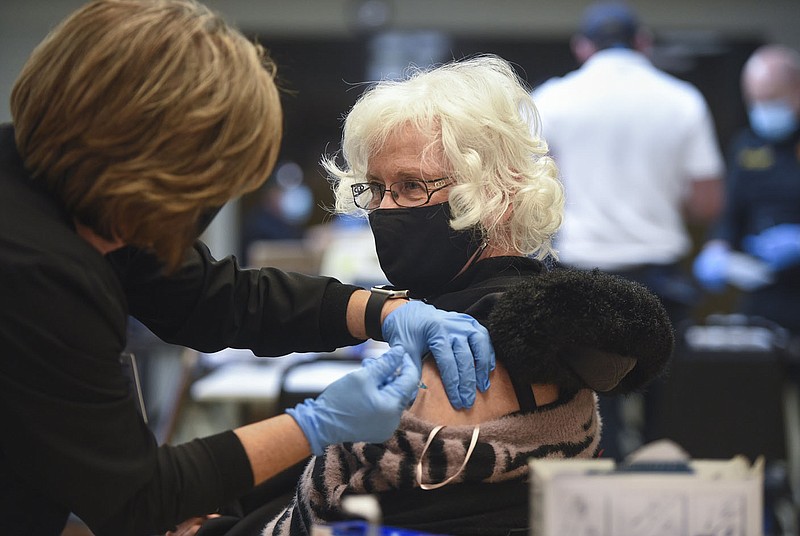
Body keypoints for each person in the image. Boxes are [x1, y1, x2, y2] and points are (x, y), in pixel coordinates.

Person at [0, 2, 496, 535]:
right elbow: (137, 496)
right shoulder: (34, 270)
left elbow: (209, 296)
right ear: (146, 160)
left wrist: (383, 312)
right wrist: (313, 426)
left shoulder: (58, 188)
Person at [247, 55, 672, 536]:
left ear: (494, 191)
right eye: (375, 189)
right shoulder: (526, 323)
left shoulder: (472, 347)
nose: (385, 209)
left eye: (411, 186)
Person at [531, 0, 725, 460]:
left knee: (591, 411)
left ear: (583, 47)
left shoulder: (551, 100)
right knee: (665, 413)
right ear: (643, 43)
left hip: (581, 278)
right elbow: (707, 202)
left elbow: (528, 189)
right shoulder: (682, 99)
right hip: (658, 280)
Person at [693, 44, 800, 336]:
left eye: (772, 99)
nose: (764, 111)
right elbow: (731, 212)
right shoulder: (747, 145)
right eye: (756, 101)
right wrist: (717, 248)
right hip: (763, 292)